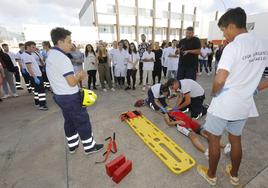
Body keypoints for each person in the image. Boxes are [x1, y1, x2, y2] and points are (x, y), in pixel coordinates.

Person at [196, 7, 268, 186]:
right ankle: (234, 176)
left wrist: (213, 92)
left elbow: (220, 79)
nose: (224, 35)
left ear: (232, 26)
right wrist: (254, 90)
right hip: (244, 104)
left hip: (224, 103)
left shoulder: (233, 47)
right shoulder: (264, 43)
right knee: (235, 140)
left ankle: (211, 175)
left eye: (224, 30)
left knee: (214, 139)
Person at [46, 27, 103, 155]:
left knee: (69, 120)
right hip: (70, 96)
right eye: (69, 41)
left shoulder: (51, 54)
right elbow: (72, 83)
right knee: (82, 120)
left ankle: (72, 145)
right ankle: (89, 147)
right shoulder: (62, 58)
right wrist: (80, 76)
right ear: (60, 42)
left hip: (59, 95)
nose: (71, 44)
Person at [164, 110, 231, 159]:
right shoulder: (166, 114)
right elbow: (168, 123)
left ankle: (225, 146)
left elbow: (183, 114)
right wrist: (177, 122)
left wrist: (193, 119)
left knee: (205, 133)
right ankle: (206, 152)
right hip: (182, 124)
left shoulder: (176, 108)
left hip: (190, 121)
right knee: (192, 135)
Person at [24, 41, 48, 111]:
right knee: (41, 91)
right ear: (28, 47)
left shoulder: (30, 54)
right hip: (36, 76)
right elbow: (29, 68)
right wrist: (35, 77)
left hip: (36, 75)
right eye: (33, 47)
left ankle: (37, 103)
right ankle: (42, 105)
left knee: (37, 91)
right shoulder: (27, 56)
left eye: (34, 47)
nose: (34, 48)